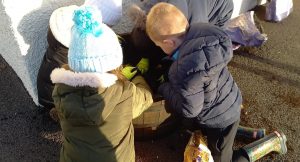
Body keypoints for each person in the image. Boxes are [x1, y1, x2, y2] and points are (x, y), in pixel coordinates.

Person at [146, 3, 287, 162]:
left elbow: (190, 109)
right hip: (229, 99)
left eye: (158, 45)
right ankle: (250, 133)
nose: (158, 48)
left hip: (219, 117)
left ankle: (272, 142)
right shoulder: (203, 32)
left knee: (221, 158)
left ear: (168, 43)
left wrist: (164, 87)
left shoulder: (183, 71)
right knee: (225, 130)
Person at [50, 6, 153, 162]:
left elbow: (59, 111)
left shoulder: (61, 90)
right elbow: (147, 98)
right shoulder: (124, 94)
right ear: (114, 63)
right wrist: (137, 78)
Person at [37, 0, 122, 110]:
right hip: (53, 101)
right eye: (108, 26)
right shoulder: (75, 55)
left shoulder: (70, 27)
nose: (109, 30)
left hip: (48, 89)